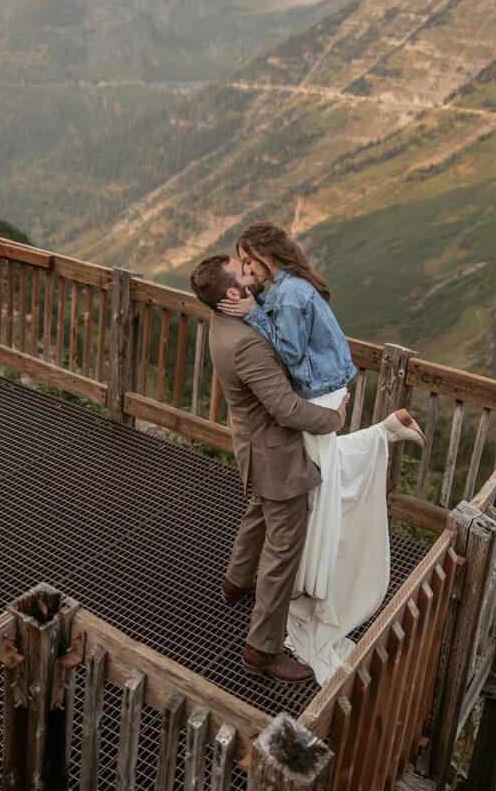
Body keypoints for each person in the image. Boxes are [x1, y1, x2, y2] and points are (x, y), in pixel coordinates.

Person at [216, 221, 425, 684]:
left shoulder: (288, 296)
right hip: (321, 391)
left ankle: (308, 583)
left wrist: (252, 312)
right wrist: (256, 307)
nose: (246, 270)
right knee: (291, 484)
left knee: (317, 482)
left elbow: (289, 354)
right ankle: (237, 580)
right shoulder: (288, 287)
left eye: (248, 260)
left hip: (318, 393)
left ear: (266, 256)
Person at [189, 253, 349, 684]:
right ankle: (262, 650)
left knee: (259, 510)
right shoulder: (247, 343)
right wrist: (332, 420)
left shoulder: (222, 325)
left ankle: (236, 583)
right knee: (282, 554)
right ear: (231, 293)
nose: (251, 273)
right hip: (276, 456)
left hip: (253, 447)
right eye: (243, 273)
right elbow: (285, 408)